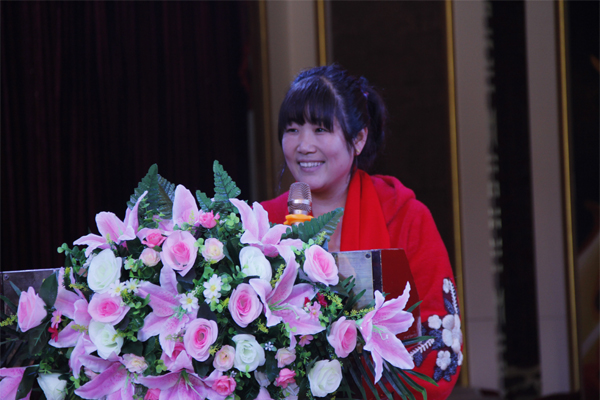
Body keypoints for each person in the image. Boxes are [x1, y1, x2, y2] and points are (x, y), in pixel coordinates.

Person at [261, 64, 462, 400]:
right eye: (292, 129)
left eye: (321, 129)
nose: (304, 145)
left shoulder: (406, 217)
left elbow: (439, 342)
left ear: (358, 139)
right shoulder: (262, 222)